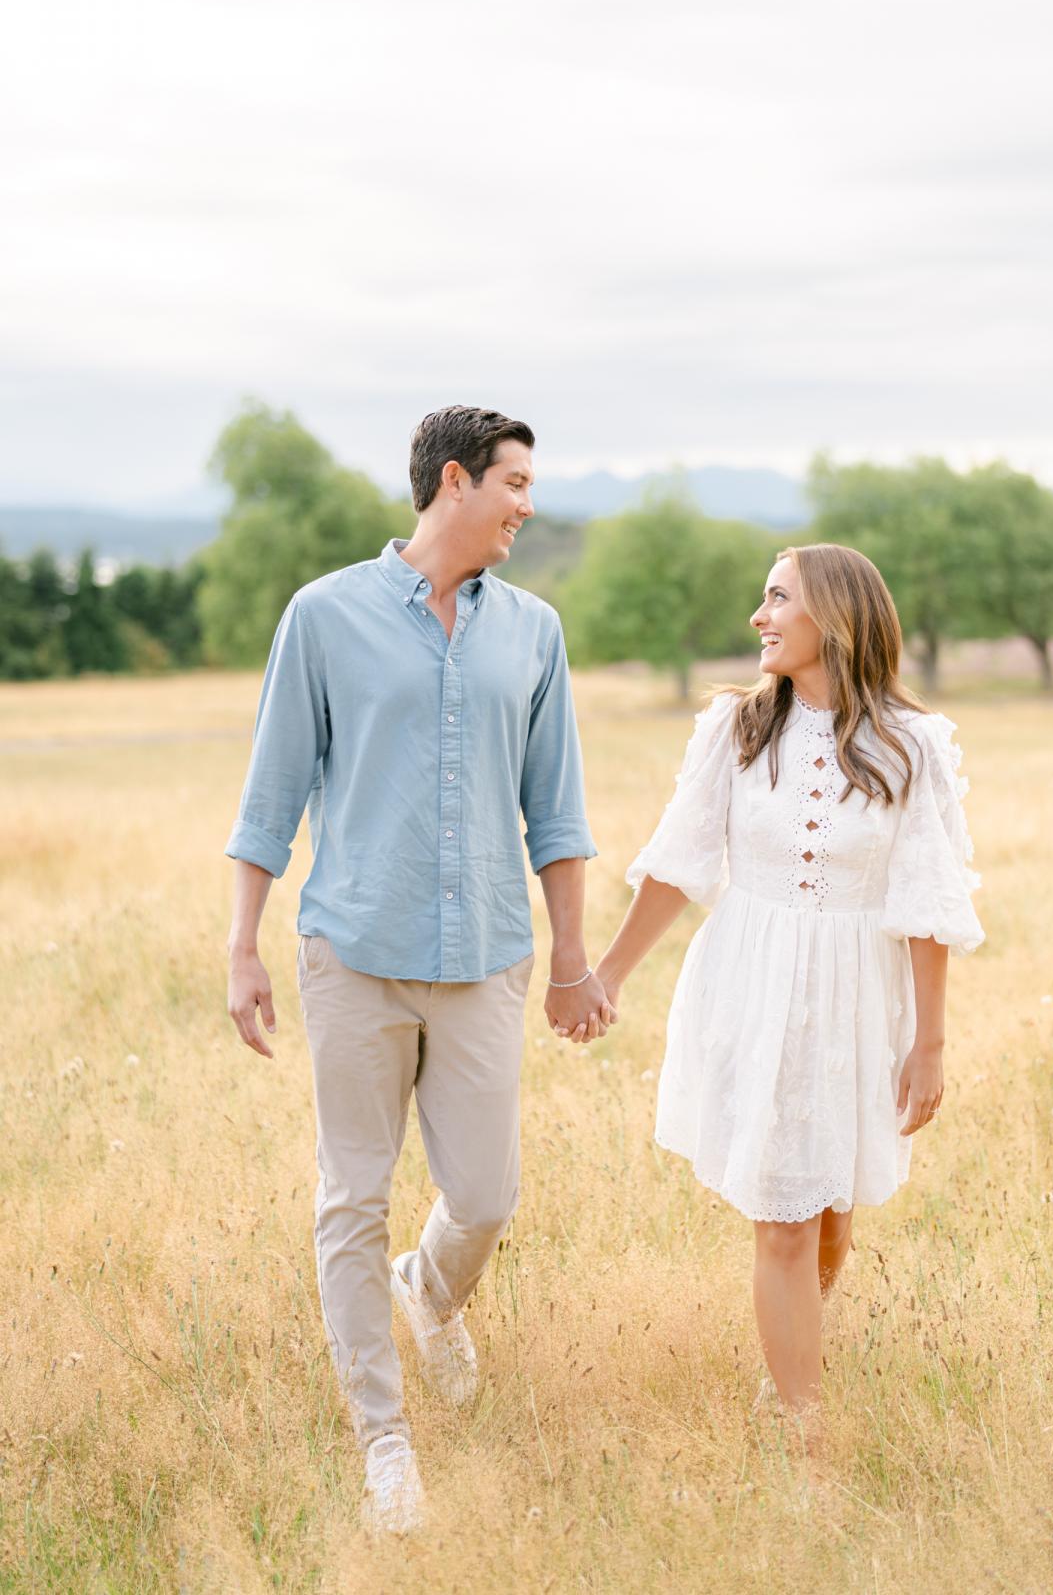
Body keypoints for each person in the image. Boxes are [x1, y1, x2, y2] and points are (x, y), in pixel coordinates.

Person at [223, 406, 613, 1534]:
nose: (528, 507)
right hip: (353, 952)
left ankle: (429, 1292)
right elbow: (272, 792)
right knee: (351, 1194)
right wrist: (243, 943)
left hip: (488, 954)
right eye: (516, 484)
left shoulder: (532, 632)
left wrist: (573, 960)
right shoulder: (325, 616)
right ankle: (383, 1446)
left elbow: (560, 812)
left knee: (486, 1195)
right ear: (456, 481)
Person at [591, 543, 984, 1450]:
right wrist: (607, 973)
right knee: (782, 1219)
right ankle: (804, 1433)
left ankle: (791, 1356)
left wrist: (930, 1043)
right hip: (751, 984)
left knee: (832, 1215)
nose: (760, 618)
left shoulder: (911, 745)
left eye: (777, 600)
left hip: (856, 997)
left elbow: (927, 900)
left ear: (835, 619)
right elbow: (678, 865)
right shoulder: (734, 730)